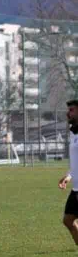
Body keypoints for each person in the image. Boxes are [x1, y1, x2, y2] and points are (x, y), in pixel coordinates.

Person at [59, 99, 78, 245]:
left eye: (72, 110)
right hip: (76, 188)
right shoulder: (73, 133)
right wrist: (69, 176)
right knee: (68, 220)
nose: (68, 113)